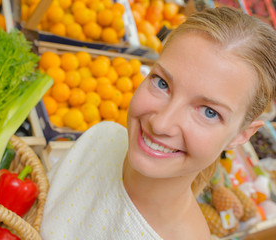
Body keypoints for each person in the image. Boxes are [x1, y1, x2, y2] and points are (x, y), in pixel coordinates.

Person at [40, 7, 276, 240]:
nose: (161, 124)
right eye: (162, 83)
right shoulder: (102, 138)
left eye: (209, 112)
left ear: (242, 135)